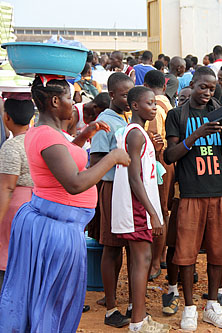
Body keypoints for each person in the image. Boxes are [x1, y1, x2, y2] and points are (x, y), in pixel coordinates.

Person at [0, 74, 130, 332]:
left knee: (49, 298)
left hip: (56, 226)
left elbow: (65, 157)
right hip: (55, 232)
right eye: (70, 98)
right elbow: (74, 183)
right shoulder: (47, 136)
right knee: (52, 301)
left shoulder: (49, 133)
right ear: (56, 101)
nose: (74, 104)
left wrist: (84, 136)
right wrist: (113, 157)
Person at [164, 66, 222, 330]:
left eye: (211, 87)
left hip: (218, 191)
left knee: (219, 253)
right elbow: (170, 155)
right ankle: (189, 308)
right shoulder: (176, 115)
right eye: (202, 87)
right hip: (191, 193)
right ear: (192, 85)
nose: (207, 92)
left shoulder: (217, 112)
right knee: (185, 254)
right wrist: (197, 135)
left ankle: (212, 306)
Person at [111, 86, 168, 333]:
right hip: (137, 207)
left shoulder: (137, 133)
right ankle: (137, 321)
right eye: (149, 103)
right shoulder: (135, 134)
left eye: (155, 103)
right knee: (141, 259)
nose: (154, 107)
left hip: (137, 206)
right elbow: (135, 178)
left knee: (139, 260)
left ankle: (139, 317)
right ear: (135, 106)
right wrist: (153, 213)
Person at [90, 72, 135, 328]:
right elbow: (96, 161)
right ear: (112, 95)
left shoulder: (122, 118)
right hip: (111, 188)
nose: (128, 99)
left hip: (126, 189)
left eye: (131, 94)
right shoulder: (105, 122)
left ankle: (129, 301)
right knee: (112, 247)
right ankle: (110, 307)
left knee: (128, 246)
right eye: (124, 95)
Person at [0, 99, 35, 290]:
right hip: (39, 204)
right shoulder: (39, 140)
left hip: (16, 206)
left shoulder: (11, 146)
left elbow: (7, 187)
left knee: (7, 254)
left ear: (7, 117)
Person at [143, 70, 173, 280]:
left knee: (157, 209)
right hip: (167, 162)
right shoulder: (168, 103)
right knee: (163, 210)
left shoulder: (155, 105)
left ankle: (155, 261)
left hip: (157, 162)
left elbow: (152, 139)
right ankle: (160, 256)